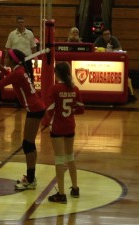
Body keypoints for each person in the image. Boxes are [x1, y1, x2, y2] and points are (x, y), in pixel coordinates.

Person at [0, 49, 45, 191]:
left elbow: (0, 84)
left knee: (27, 144)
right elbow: (10, 76)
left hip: (34, 109)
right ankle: (31, 177)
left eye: (7, 58)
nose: (4, 59)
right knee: (29, 144)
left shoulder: (18, 72)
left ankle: (30, 180)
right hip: (36, 107)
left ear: (13, 60)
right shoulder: (20, 69)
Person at [45, 61, 84, 204]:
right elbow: (81, 109)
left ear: (57, 74)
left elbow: (49, 110)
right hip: (70, 126)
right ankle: (75, 189)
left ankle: (61, 194)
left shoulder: (54, 89)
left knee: (59, 160)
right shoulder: (75, 89)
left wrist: (47, 121)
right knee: (70, 157)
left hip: (57, 127)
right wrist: (69, 112)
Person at [5, 16, 38, 83]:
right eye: (19, 22)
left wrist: (36, 60)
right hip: (15, 61)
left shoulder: (30, 33)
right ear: (16, 23)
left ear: (24, 23)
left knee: (29, 79)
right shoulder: (12, 34)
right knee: (16, 80)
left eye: (22, 22)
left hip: (27, 59)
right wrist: (6, 61)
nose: (20, 24)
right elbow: (8, 48)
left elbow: (34, 48)